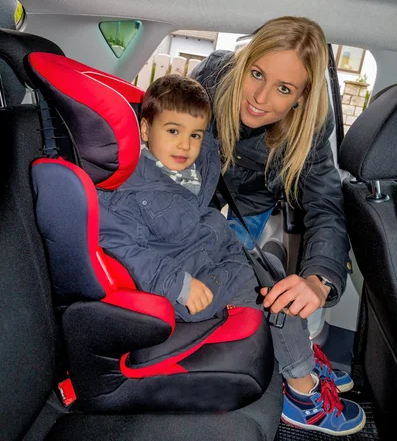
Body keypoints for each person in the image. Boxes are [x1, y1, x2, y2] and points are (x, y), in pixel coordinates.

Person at [98, 74, 365, 436]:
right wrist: (179, 284)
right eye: (173, 131)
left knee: (274, 271)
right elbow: (124, 247)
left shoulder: (186, 172)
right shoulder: (129, 187)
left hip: (209, 263)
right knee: (277, 301)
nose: (185, 145)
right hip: (186, 289)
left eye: (195, 135)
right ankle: (304, 398)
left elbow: (202, 221)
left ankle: (301, 361)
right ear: (145, 129)